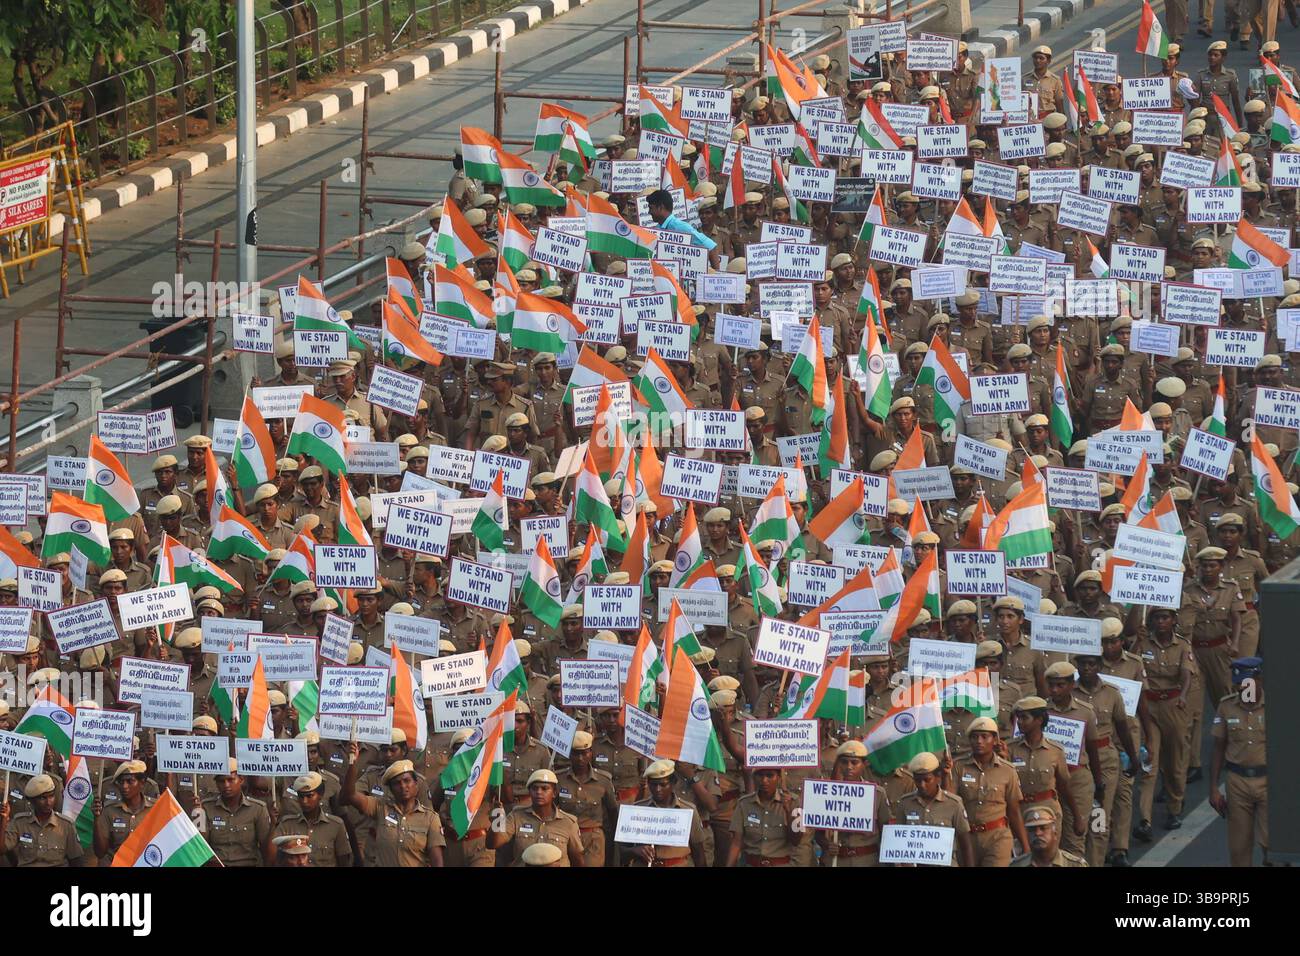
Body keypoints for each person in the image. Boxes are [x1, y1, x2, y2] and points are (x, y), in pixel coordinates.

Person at [341, 746, 445, 866]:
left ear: (416, 784)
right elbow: (349, 796)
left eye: (407, 781)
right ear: (390, 789)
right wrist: (352, 763)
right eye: (397, 783)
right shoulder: (380, 807)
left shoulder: (431, 818)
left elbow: (437, 861)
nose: (403, 786)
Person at [1209, 657, 1267, 866]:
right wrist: (1214, 788)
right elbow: (1218, 748)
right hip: (1237, 782)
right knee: (1239, 848)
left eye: (1248, 684)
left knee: (1273, 847)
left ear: (1259, 679)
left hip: (1269, 781)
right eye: (1239, 685)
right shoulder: (1226, 706)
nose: (1244, 690)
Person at [486, 768, 585, 866]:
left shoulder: (568, 823)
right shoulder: (517, 816)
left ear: (554, 793)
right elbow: (493, 844)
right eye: (534, 788)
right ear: (529, 792)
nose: (539, 792)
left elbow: (577, 858)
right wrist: (496, 823)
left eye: (544, 788)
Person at [1011, 805, 1088, 867]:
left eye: (1043, 828)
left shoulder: (1074, 865)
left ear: (1055, 833)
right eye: (1032, 829)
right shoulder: (1017, 865)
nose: (1037, 833)